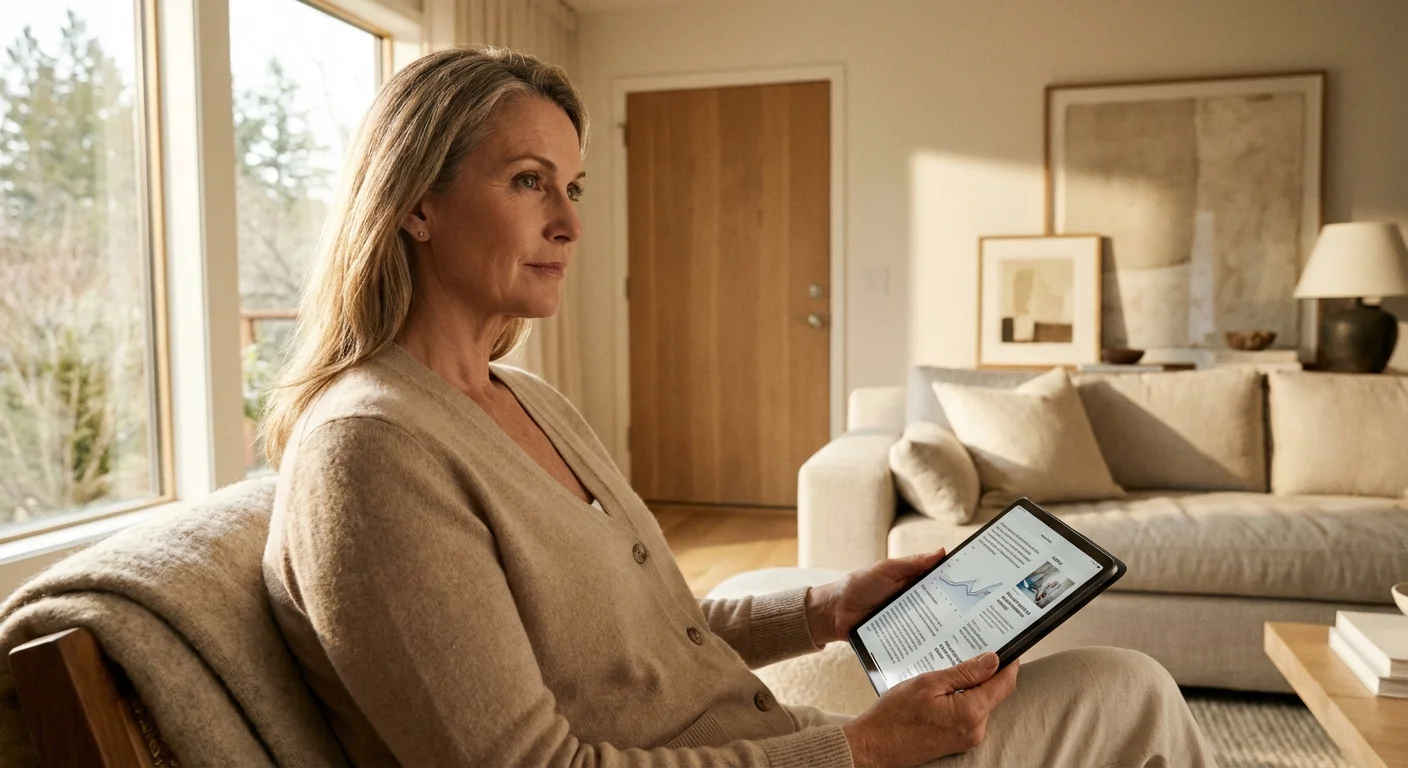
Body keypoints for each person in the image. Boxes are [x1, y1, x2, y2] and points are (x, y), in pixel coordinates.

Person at [260, 46, 1216, 767]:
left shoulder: (527, 400)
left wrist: (829, 607)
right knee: (1128, 693)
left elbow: (644, 637)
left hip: (768, 742)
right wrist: (859, 750)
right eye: (527, 181)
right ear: (414, 204)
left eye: (573, 185)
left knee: (1109, 681)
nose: (571, 221)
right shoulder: (372, 454)